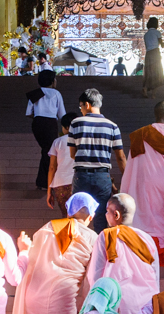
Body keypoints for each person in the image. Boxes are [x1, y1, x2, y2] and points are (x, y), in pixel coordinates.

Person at [7, 191, 99, 314]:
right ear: (90, 215)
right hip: (63, 299)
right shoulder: (92, 238)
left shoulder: (46, 229)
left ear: (68, 212)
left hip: (34, 298)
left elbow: (33, 264)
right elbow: (91, 281)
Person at [120, 101, 164, 266]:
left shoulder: (141, 134)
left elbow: (133, 163)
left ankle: (147, 248)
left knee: (148, 214)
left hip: (146, 183)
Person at [86, 193, 160, 314]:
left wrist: (97, 303)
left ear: (116, 215)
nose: (105, 215)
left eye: (107, 211)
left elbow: (95, 275)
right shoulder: (147, 239)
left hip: (118, 305)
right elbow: (155, 275)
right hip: (147, 304)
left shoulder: (106, 236)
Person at [68, 89, 126, 233]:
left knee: (78, 216)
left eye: (80, 106)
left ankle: (79, 251)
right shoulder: (112, 126)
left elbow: (72, 154)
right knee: (101, 217)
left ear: (87, 105)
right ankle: (100, 251)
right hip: (103, 177)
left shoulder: (75, 123)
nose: (81, 110)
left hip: (81, 176)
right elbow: (121, 157)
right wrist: (125, 178)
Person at [26, 70, 67, 191]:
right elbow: (62, 114)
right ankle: (46, 182)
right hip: (50, 124)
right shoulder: (56, 93)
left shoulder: (35, 93)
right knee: (49, 151)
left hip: (37, 123)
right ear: (52, 81)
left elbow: (28, 113)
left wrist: (39, 116)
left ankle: (43, 182)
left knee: (46, 150)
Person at [46, 112, 78, 217]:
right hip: (78, 182)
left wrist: (49, 191)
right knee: (78, 216)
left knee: (66, 215)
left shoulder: (57, 142)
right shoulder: (82, 141)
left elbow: (52, 167)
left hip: (60, 184)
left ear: (67, 127)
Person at [142, 17, 164, 99]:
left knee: (149, 73)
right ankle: (153, 94)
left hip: (148, 54)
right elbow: (161, 45)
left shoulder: (146, 34)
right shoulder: (157, 32)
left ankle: (145, 89)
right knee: (157, 73)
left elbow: (146, 46)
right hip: (155, 53)